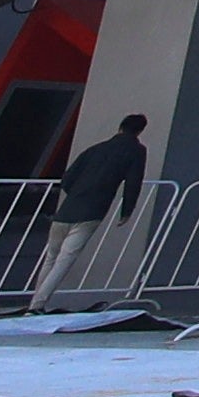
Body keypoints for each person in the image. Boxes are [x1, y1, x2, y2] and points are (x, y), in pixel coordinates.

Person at [33, 109, 151, 298]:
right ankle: (37, 305)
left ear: (120, 127)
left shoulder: (95, 148)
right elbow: (133, 182)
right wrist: (126, 211)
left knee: (51, 258)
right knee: (66, 259)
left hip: (67, 209)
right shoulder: (136, 150)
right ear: (140, 131)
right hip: (92, 210)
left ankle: (35, 301)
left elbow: (68, 178)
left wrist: (77, 194)